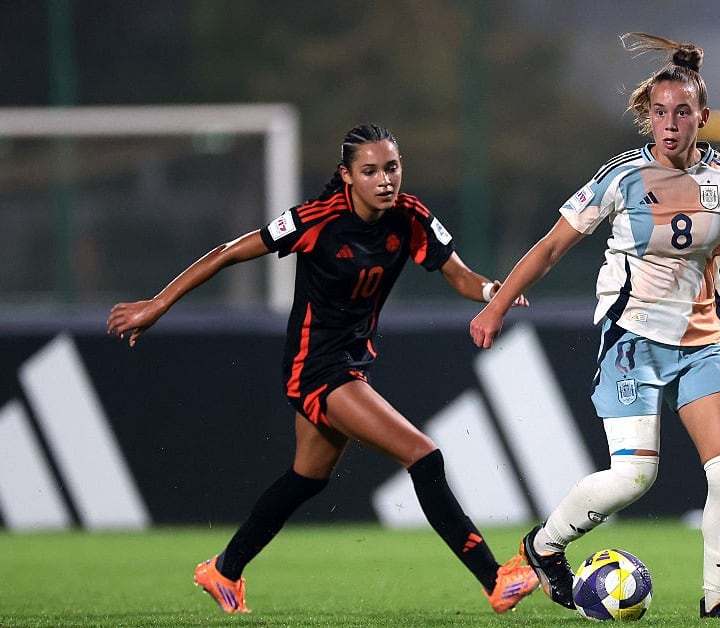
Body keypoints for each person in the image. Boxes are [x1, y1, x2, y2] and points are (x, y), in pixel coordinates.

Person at [107, 123, 538, 615]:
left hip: (352, 362)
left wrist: (492, 291)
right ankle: (495, 579)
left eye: (391, 168)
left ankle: (224, 569)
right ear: (347, 175)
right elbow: (229, 252)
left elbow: (458, 274)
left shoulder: (411, 216)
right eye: (370, 171)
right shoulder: (316, 219)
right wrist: (158, 304)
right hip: (316, 368)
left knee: (308, 477)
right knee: (423, 455)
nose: (384, 180)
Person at [470, 33, 720, 619]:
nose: (670, 123)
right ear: (647, 117)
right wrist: (496, 305)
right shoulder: (621, 178)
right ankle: (543, 546)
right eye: (659, 112)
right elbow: (552, 245)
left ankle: (718, 600)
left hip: (703, 344)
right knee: (635, 477)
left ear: (702, 118)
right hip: (632, 339)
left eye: (682, 112)